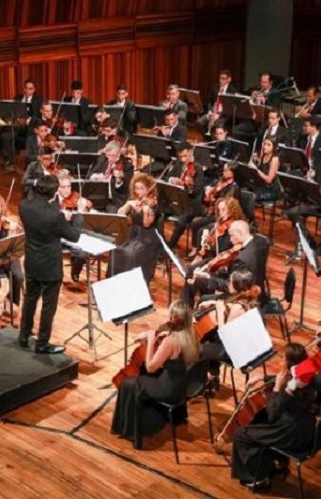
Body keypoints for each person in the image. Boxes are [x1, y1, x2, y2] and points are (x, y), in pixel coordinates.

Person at [110, 300, 200, 449]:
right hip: (180, 387)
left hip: (167, 390)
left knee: (128, 383)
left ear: (174, 318)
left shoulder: (170, 342)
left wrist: (151, 340)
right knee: (145, 377)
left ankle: (131, 431)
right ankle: (153, 420)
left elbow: (151, 367)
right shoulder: (191, 336)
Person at [226, 343, 316, 491]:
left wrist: (276, 389)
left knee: (241, 434)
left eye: (283, 357)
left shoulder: (290, 390)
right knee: (259, 422)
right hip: (306, 428)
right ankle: (277, 463)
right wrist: (262, 377)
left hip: (290, 433)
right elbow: (287, 378)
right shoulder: (305, 377)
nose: (281, 359)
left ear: (289, 362)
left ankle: (258, 479)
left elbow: (272, 414)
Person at [18, 175, 81, 354]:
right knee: (48, 306)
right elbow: (74, 236)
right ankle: (42, 343)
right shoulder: (55, 216)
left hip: (32, 260)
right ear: (53, 193)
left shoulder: (24, 206)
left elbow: (41, 210)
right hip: (50, 265)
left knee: (30, 299)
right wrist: (78, 215)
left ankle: (24, 335)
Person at [108, 172, 161, 285]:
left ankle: (130, 284)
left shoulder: (154, 204)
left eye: (142, 188)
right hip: (132, 235)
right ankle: (116, 282)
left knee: (131, 254)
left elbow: (147, 224)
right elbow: (120, 214)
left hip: (147, 238)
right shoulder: (134, 199)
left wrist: (146, 211)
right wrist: (128, 204)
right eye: (136, 188)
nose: (138, 191)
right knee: (115, 249)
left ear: (149, 189)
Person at [164, 142, 205, 249]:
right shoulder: (178, 164)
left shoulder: (198, 168)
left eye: (185, 156)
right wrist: (172, 180)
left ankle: (169, 246)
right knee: (159, 212)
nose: (183, 159)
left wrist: (188, 186)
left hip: (191, 204)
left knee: (181, 221)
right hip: (176, 200)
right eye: (180, 156)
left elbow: (196, 191)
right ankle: (161, 242)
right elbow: (167, 177)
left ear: (191, 152)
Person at [0, 79, 43, 171]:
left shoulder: (38, 100)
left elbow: (38, 116)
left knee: (29, 134)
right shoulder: (18, 98)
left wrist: (27, 120)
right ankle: (10, 160)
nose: (27, 91)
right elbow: (12, 111)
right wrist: (16, 119)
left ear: (34, 90)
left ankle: (27, 162)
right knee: (5, 136)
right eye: (26, 88)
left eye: (30, 89)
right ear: (24, 88)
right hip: (17, 125)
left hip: (29, 127)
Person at [197, 69, 235, 134]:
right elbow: (209, 101)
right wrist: (209, 111)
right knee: (199, 122)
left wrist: (219, 115)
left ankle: (212, 137)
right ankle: (207, 137)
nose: (221, 81)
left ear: (229, 79)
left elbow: (230, 108)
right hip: (213, 111)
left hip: (224, 115)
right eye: (220, 78)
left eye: (223, 79)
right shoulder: (215, 87)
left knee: (218, 125)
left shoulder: (232, 91)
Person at [249, 138, 281, 203]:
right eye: (264, 144)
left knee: (251, 197)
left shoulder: (275, 159)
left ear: (273, 147)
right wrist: (253, 159)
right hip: (262, 186)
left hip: (271, 190)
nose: (265, 147)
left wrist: (256, 169)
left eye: (268, 145)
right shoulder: (263, 155)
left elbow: (269, 180)